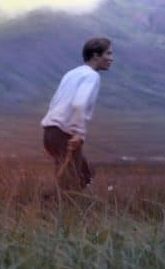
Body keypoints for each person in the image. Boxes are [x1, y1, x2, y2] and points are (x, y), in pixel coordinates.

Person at [41, 37, 114, 191]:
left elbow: (54, 102)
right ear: (95, 55)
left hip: (51, 132)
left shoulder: (71, 73)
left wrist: (50, 137)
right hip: (64, 134)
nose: (111, 58)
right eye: (108, 53)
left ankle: (47, 202)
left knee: (83, 175)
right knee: (73, 183)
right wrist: (79, 133)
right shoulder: (92, 76)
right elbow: (79, 103)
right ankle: (46, 203)